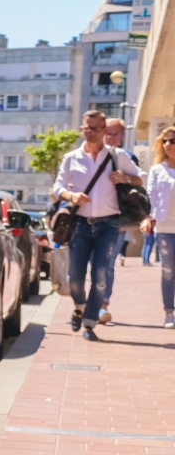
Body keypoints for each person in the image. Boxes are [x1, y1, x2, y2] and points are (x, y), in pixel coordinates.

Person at [51, 110, 142, 340]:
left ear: (103, 131)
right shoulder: (72, 158)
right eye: (87, 128)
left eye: (96, 128)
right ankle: (79, 305)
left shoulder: (117, 156)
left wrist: (126, 178)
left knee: (101, 273)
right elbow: (56, 189)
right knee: (75, 276)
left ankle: (89, 322)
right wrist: (71, 196)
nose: (91, 132)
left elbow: (142, 178)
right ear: (82, 129)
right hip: (80, 224)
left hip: (109, 224)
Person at [98, 118, 141, 323]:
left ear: (122, 136)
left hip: (117, 219)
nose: (113, 138)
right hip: (91, 219)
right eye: (109, 133)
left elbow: (140, 182)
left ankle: (102, 305)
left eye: (117, 134)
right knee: (89, 265)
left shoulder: (127, 156)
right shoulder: (90, 156)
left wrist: (125, 178)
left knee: (107, 264)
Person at [141, 126, 175, 329]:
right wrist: (147, 217)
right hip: (166, 228)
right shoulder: (157, 170)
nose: (169, 144)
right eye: (166, 141)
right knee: (169, 271)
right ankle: (169, 312)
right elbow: (150, 195)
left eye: (174, 141)